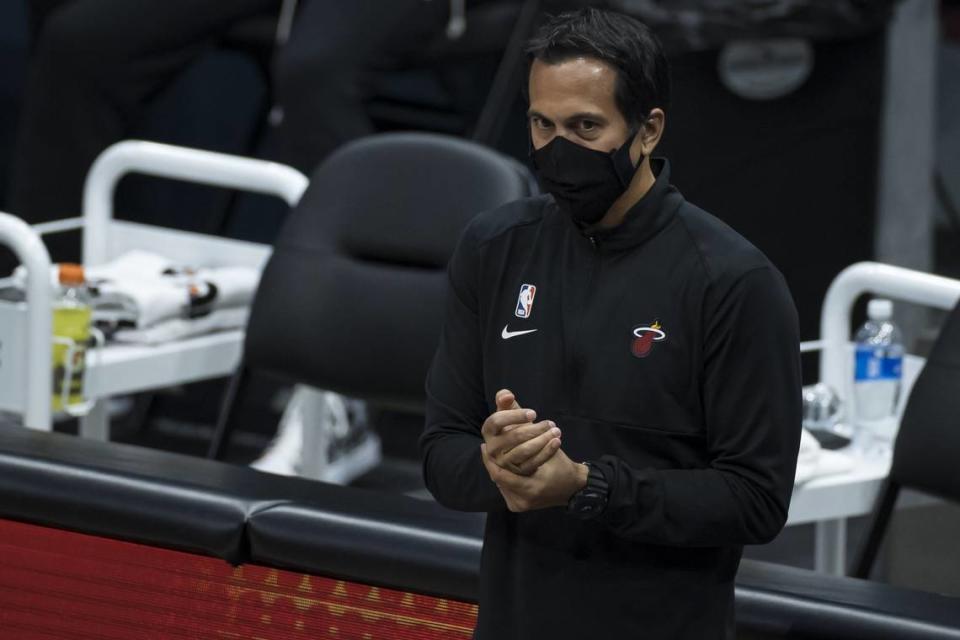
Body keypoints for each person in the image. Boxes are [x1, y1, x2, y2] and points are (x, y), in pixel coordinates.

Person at [419, 7, 802, 639]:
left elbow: (756, 500)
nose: (557, 148)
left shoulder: (733, 282)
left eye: (585, 126)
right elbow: (439, 452)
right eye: (542, 124)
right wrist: (496, 466)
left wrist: (586, 487)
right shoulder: (494, 249)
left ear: (648, 130)